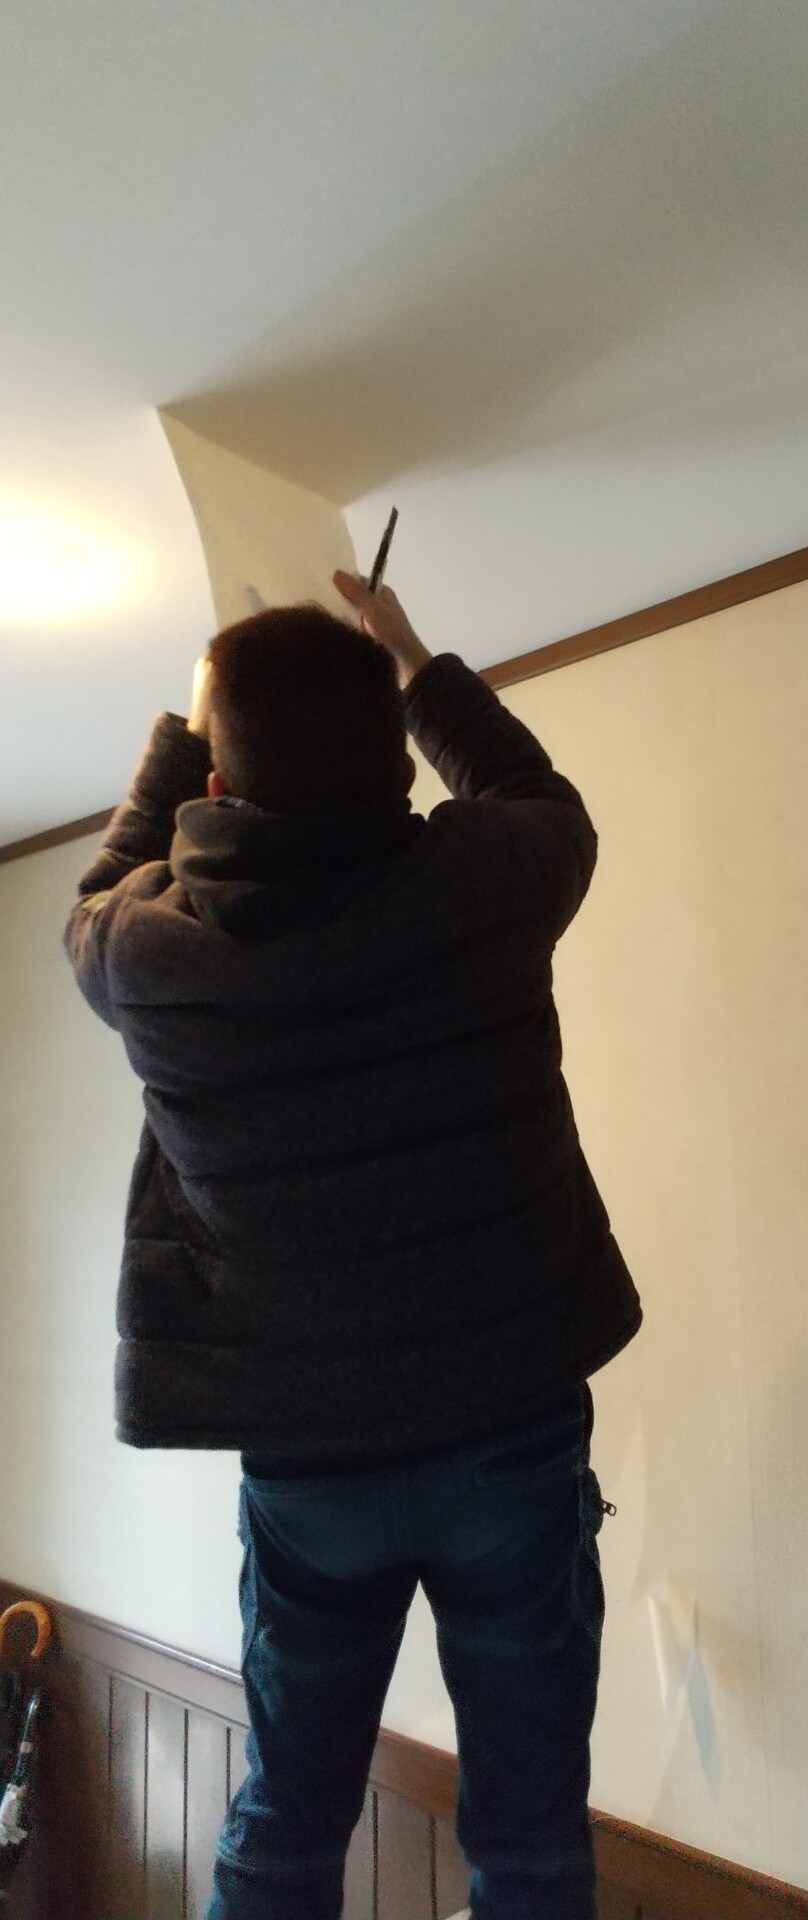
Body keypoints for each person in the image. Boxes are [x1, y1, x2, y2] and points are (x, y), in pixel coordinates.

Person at [64, 572, 642, 1920]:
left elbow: (93, 893)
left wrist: (185, 730)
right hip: (508, 1433)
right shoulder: (482, 885)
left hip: (312, 1456)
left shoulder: (150, 955)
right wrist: (414, 660)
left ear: (220, 780)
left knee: (288, 1819)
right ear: (397, 764)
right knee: (531, 1835)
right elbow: (541, 799)